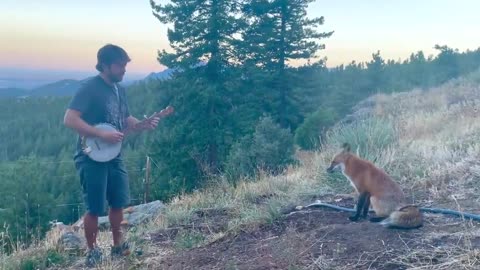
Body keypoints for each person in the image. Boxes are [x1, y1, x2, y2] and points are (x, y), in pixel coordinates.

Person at [63, 44, 160, 267]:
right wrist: (99, 134)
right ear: (105, 65)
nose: (123, 69)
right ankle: (92, 251)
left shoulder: (120, 90)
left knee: (118, 202)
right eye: (119, 65)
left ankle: (118, 246)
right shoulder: (90, 88)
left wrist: (143, 125)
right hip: (91, 156)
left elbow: (125, 120)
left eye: (125, 65)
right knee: (95, 208)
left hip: (114, 155)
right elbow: (70, 119)